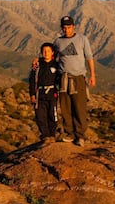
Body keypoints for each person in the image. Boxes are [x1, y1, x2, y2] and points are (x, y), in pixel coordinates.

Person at [54, 15, 96, 147]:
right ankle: (69, 133)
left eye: (69, 27)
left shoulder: (82, 39)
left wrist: (92, 75)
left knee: (79, 107)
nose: (66, 30)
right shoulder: (58, 42)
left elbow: (89, 57)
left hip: (78, 78)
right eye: (64, 27)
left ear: (74, 27)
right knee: (65, 107)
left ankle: (80, 136)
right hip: (63, 78)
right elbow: (52, 57)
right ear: (61, 28)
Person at [29, 42, 59, 143]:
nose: (46, 53)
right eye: (44, 51)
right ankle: (45, 135)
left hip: (52, 94)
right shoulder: (37, 65)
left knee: (52, 116)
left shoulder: (57, 65)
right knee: (40, 116)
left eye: (48, 51)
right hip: (40, 94)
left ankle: (52, 135)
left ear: (52, 52)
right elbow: (32, 80)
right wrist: (32, 94)